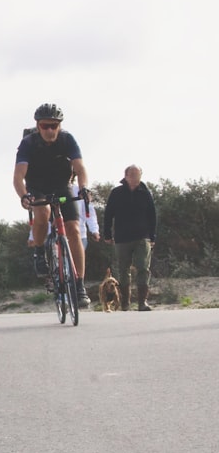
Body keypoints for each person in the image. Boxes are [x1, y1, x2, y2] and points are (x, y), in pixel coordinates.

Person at [13, 103, 92, 307]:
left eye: (54, 126)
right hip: (37, 187)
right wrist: (24, 196)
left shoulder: (67, 139)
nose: (50, 130)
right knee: (43, 212)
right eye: (45, 126)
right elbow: (18, 177)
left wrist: (83, 188)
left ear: (59, 126)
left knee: (74, 230)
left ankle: (80, 285)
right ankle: (40, 251)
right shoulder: (28, 143)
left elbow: (80, 168)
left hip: (61, 186)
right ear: (38, 126)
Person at [103, 164, 157, 311]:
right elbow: (108, 215)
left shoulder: (145, 193)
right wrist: (107, 234)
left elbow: (152, 216)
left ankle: (142, 303)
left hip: (142, 237)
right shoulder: (117, 192)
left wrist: (152, 236)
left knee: (143, 268)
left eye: (137, 174)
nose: (135, 177)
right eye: (132, 174)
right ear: (126, 176)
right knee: (123, 269)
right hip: (122, 237)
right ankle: (125, 303)